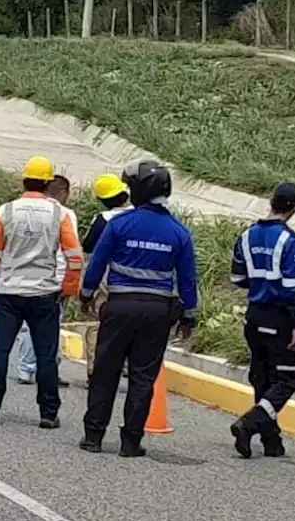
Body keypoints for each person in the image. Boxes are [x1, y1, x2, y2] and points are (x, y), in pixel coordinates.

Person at [79, 159, 197, 457]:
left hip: (119, 306)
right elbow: (187, 281)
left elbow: (96, 264)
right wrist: (189, 316)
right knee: (143, 377)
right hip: (158, 312)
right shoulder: (179, 232)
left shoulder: (119, 224)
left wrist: (85, 294)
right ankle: (131, 441)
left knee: (106, 371)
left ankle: (93, 436)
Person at [0, 156, 83, 429]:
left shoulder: (6, 212)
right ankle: (48, 413)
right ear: (47, 184)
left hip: (9, 291)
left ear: (24, 180)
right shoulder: (59, 215)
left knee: (0, 351)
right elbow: (75, 257)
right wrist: (67, 288)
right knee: (46, 355)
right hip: (44, 293)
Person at [229, 182, 295, 459]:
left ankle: (271, 441)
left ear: (271, 201)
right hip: (279, 316)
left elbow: (237, 278)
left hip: (254, 313)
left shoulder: (247, 234)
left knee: (261, 377)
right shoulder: (290, 239)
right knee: (287, 379)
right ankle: (249, 425)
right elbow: (289, 287)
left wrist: (259, 283)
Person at [16, 174, 75, 386]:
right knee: (51, 326)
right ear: (63, 192)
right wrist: (70, 282)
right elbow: (72, 252)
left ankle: (25, 368)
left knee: (28, 324)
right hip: (55, 277)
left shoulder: (25, 209)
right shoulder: (65, 214)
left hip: (25, 275)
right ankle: (48, 369)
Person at [79, 174, 131, 385]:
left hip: (105, 280)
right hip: (132, 282)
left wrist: (85, 292)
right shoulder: (138, 216)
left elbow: (89, 247)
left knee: (97, 325)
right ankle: (126, 366)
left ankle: (95, 370)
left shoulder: (103, 220)